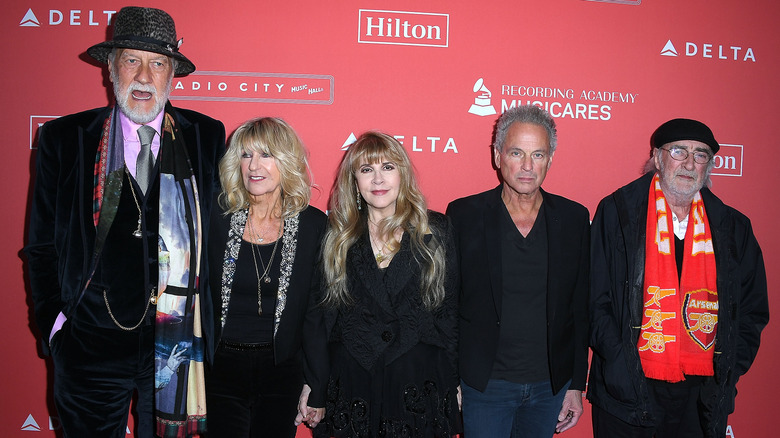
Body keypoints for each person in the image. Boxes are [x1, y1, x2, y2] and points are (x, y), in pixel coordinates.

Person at [24, 7, 225, 437]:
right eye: (132, 60)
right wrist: (56, 328)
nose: (144, 77)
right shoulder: (65, 140)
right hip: (89, 346)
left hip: (176, 345)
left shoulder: (204, 136)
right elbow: (40, 247)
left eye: (157, 64)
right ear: (110, 68)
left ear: (172, 74)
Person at [587, 118, 769, 437]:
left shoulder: (732, 228)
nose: (688, 163)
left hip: (701, 398)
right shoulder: (618, 214)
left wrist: (725, 370)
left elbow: (752, 311)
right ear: (657, 157)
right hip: (627, 390)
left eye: (700, 155)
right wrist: (619, 363)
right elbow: (592, 299)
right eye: (678, 151)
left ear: (709, 165)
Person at [446, 105, 590, 437]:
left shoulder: (573, 219)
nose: (527, 166)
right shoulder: (464, 215)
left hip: (549, 386)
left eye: (538, 154)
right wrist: (450, 378)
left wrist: (575, 385)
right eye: (516, 153)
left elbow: (579, 310)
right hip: (484, 384)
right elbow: (447, 305)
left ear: (550, 159)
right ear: (498, 156)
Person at [314, 132, 460, 438]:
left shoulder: (436, 229)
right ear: (354, 180)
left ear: (403, 174)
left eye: (388, 167)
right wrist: (313, 383)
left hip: (417, 379)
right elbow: (324, 318)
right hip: (354, 379)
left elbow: (449, 311)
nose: (378, 179)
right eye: (367, 170)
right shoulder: (337, 235)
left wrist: (455, 378)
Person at [206, 117, 327, 437]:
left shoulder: (312, 225)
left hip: (282, 370)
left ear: (286, 161)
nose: (253, 166)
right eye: (245, 155)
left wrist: (316, 383)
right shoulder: (214, 218)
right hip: (219, 368)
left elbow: (315, 312)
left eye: (266, 155)